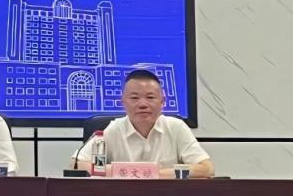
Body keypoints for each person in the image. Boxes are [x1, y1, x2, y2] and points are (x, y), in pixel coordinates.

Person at [73, 69, 214, 178]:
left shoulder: (176, 127)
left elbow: (207, 168)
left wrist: (156, 174)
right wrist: (119, 171)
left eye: (150, 97)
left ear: (162, 102)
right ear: (123, 102)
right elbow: (77, 165)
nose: (142, 104)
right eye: (134, 98)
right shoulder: (113, 129)